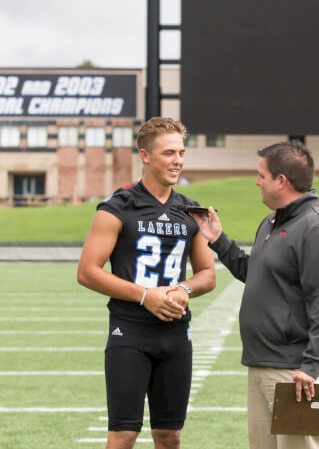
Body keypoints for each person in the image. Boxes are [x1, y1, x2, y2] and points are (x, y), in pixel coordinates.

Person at [196, 140, 319, 449]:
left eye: (261, 175)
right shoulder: (273, 221)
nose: (256, 181)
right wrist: (218, 240)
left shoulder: (316, 227)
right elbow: (257, 274)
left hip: (295, 370)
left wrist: (312, 366)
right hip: (264, 363)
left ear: (282, 181)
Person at [77, 117, 216, 449]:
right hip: (130, 334)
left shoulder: (189, 211)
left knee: (170, 436)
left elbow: (207, 274)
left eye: (181, 152)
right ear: (145, 155)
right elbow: (87, 271)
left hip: (176, 335)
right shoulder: (118, 207)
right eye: (169, 153)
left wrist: (182, 289)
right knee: (123, 435)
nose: (178, 160)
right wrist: (144, 296)